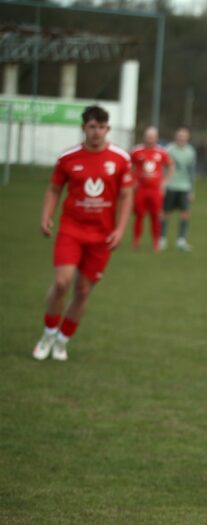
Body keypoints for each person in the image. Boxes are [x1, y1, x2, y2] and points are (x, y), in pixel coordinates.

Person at [32, 105, 134, 362]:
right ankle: (48, 334)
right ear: (83, 128)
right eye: (92, 126)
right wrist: (46, 215)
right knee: (62, 282)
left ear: (108, 129)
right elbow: (54, 189)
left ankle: (62, 340)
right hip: (72, 230)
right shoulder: (68, 158)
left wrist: (120, 229)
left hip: (101, 236)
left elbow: (126, 195)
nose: (97, 132)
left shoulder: (121, 159)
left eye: (101, 127)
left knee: (83, 291)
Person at [130, 126, 173, 251]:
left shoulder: (162, 152)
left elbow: (171, 166)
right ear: (144, 137)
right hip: (141, 189)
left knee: (155, 216)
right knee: (139, 215)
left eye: (152, 136)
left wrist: (165, 182)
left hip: (155, 190)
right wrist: (132, 180)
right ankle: (136, 241)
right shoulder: (136, 151)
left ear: (156, 138)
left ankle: (156, 242)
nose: (150, 139)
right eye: (148, 136)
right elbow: (128, 165)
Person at [160, 127, 197, 251]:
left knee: (185, 214)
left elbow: (192, 172)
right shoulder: (168, 150)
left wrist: (192, 190)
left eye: (184, 136)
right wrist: (163, 183)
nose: (181, 138)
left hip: (184, 187)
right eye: (179, 136)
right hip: (170, 186)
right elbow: (163, 168)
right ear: (176, 136)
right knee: (166, 213)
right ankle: (162, 239)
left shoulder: (191, 151)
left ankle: (181, 240)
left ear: (187, 137)